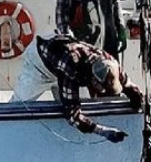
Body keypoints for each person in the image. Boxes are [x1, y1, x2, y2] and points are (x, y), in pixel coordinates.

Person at [12, 33, 143, 142]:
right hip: (39, 63)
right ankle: (10, 135)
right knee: (18, 105)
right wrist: (104, 132)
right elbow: (73, 115)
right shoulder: (73, 69)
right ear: (94, 82)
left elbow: (129, 86)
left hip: (61, 57)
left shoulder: (110, 63)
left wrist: (141, 103)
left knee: (84, 108)